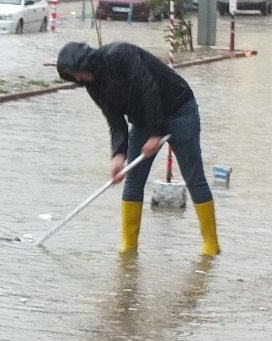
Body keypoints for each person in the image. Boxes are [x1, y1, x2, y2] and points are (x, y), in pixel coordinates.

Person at [56, 41, 219, 255]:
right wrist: (118, 155)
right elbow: (115, 120)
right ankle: (129, 246)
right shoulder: (93, 86)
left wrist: (156, 134)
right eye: (73, 76)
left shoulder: (121, 54)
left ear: (85, 63)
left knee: (194, 177)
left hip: (180, 109)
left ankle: (211, 245)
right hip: (143, 122)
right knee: (132, 181)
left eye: (77, 72)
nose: (77, 79)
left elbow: (147, 89)